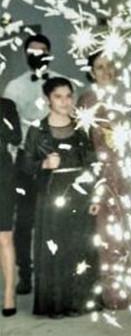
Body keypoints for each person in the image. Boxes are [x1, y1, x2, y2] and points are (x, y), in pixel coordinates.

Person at [19, 77, 99, 318]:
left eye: (68, 96)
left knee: (80, 246)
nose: (65, 101)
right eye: (58, 96)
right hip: (51, 195)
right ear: (47, 100)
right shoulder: (37, 130)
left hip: (80, 194)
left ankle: (80, 301)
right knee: (56, 250)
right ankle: (56, 304)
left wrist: (95, 196)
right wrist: (44, 164)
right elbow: (26, 165)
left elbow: (92, 163)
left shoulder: (81, 127)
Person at [3, 32, 70, 296]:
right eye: (33, 52)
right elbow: (9, 129)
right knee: (25, 220)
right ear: (25, 55)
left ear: (49, 54)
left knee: (59, 215)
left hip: (59, 157)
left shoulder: (60, 84)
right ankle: (26, 273)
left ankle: (57, 272)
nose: (38, 56)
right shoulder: (14, 87)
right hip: (26, 160)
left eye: (43, 51)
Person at [77, 50, 131, 310]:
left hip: (129, 172)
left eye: (109, 65)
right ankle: (112, 293)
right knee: (107, 235)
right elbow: (82, 143)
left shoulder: (127, 96)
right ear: (91, 72)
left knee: (130, 233)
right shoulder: (87, 100)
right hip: (102, 174)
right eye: (100, 67)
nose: (106, 71)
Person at [0, 94, 19, 316]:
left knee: (4, 236)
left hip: (2, 175)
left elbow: (16, 137)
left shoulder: (6, 106)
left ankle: (8, 294)